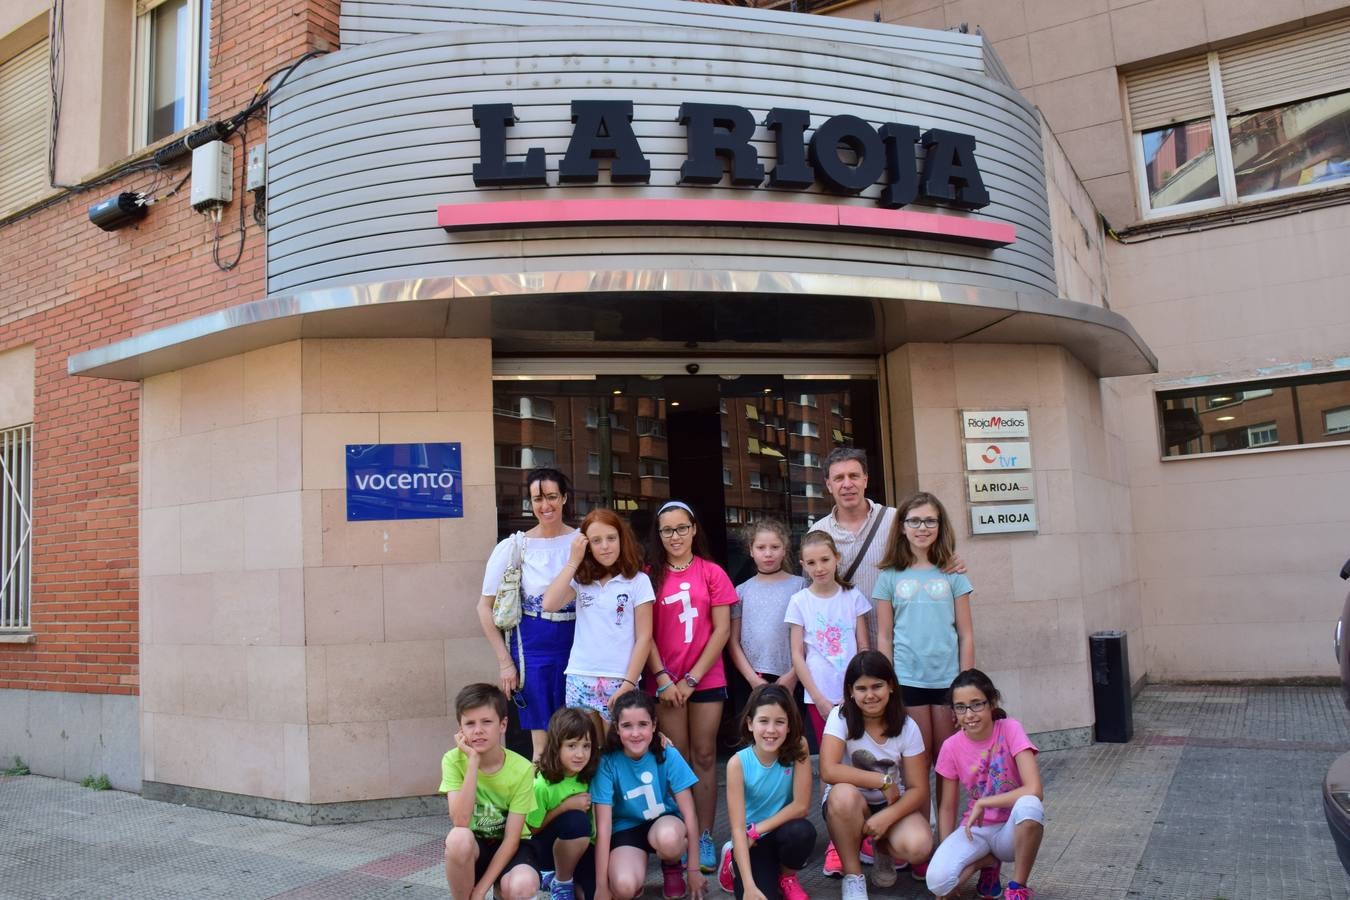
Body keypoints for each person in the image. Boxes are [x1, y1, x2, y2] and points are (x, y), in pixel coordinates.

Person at [644, 500, 736, 875]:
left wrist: (693, 678)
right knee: (676, 759)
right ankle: (681, 833)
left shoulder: (712, 572)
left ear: (694, 529)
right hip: (665, 683)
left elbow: (722, 630)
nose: (675, 536)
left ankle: (705, 837)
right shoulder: (648, 575)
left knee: (703, 756)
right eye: (668, 530)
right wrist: (665, 678)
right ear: (659, 534)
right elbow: (642, 633)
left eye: (682, 528)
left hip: (705, 679)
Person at [874, 491, 974, 834]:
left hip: (947, 682)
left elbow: (966, 634)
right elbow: (884, 636)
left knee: (947, 764)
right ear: (902, 527)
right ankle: (919, 835)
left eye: (930, 520)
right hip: (906, 681)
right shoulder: (889, 576)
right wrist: (889, 685)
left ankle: (948, 838)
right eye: (914, 520)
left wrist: (966, 687)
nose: (922, 527)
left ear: (940, 525)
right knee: (917, 765)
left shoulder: (953, 572)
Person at [810, 449, 965, 650]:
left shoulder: (895, 520)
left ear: (865, 479)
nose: (847, 484)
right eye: (839, 478)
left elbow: (929, 556)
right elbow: (812, 592)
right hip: (843, 647)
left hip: (900, 644)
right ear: (829, 485)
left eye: (854, 476)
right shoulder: (817, 532)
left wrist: (950, 561)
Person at [477, 467, 579, 758]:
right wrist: (505, 662)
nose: (545, 505)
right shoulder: (514, 546)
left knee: (581, 737)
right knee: (541, 746)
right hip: (532, 651)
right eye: (537, 499)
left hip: (581, 645)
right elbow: (484, 607)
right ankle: (540, 804)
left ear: (565, 498)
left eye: (551, 496)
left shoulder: (584, 541)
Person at [819, 651, 932, 900]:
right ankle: (853, 877)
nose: (870, 695)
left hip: (890, 803)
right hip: (849, 804)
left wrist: (887, 816)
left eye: (877, 686)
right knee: (842, 795)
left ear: (891, 686)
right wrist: (882, 781)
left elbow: (918, 788)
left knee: (920, 846)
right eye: (861, 688)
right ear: (850, 691)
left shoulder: (907, 726)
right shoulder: (841, 717)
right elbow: (828, 770)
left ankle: (881, 848)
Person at [927, 669, 1044, 900]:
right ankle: (987, 862)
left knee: (1030, 806)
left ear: (991, 703)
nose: (969, 714)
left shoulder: (1010, 729)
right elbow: (948, 807)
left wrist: (985, 802)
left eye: (976, 704)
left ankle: (1017, 887)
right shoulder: (950, 747)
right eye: (960, 707)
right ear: (954, 712)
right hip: (976, 830)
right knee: (939, 885)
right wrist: (947, 850)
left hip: (1012, 830)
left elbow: (1034, 789)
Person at [542, 508, 654, 732]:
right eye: (596, 540)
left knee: (617, 751)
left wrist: (629, 684)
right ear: (587, 545)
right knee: (584, 750)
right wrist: (574, 561)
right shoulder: (581, 580)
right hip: (580, 676)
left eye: (611, 538)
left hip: (620, 678)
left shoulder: (638, 581)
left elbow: (644, 637)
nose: (605, 546)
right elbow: (549, 604)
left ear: (622, 539)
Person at [591, 690, 706, 900]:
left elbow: (689, 814)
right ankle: (634, 878)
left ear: (654, 725)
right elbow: (604, 827)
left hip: (662, 823)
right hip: (626, 829)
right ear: (616, 728)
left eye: (643, 724)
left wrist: (693, 869)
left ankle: (672, 866)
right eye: (627, 726)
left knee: (670, 839)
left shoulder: (667, 753)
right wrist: (601, 886)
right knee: (623, 887)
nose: (635, 733)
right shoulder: (607, 763)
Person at [441, 683, 540, 900]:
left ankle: (499, 891)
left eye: (487, 722)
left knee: (523, 886)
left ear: (503, 725)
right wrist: (473, 762)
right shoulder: (452, 760)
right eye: (470, 723)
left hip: (511, 848)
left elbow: (512, 839)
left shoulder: (522, 769)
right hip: (475, 847)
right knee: (458, 839)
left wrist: (480, 891)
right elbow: (460, 820)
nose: (478, 730)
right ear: (460, 729)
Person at [718, 683, 816, 900]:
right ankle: (733, 862)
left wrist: (756, 829)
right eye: (763, 721)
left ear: (789, 725)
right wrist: (750, 887)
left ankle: (787, 876)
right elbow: (737, 828)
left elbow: (801, 806)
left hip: (778, 830)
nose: (771, 730)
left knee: (803, 832)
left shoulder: (799, 746)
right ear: (750, 724)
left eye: (780, 722)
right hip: (750, 842)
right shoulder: (737, 763)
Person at [784, 530, 870, 744]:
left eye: (825, 560)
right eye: (811, 563)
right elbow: (797, 654)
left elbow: (864, 648)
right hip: (818, 693)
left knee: (859, 751)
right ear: (803, 565)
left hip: (854, 692)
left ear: (836, 558)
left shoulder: (853, 596)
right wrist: (818, 698)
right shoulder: (799, 601)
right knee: (829, 757)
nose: (819, 568)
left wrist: (855, 690)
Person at [529, 707, 603, 900]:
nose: (580, 754)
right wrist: (565, 807)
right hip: (548, 850)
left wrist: (659, 737)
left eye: (586, 746)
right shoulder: (542, 784)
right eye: (572, 746)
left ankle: (568, 880)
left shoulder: (591, 775)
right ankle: (559, 881)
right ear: (556, 746)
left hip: (585, 849)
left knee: (593, 895)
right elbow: (532, 830)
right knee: (576, 821)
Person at [727, 519, 805, 697]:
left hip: (793, 677)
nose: (768, 553)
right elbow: (733, 640)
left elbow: (810, 636)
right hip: (752, 677)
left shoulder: (800, 586)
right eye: (761, 548)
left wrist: (794, 675)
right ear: (751, 550)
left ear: (784, 549)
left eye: (775, 547)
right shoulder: (741, 591)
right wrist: (751, 678)